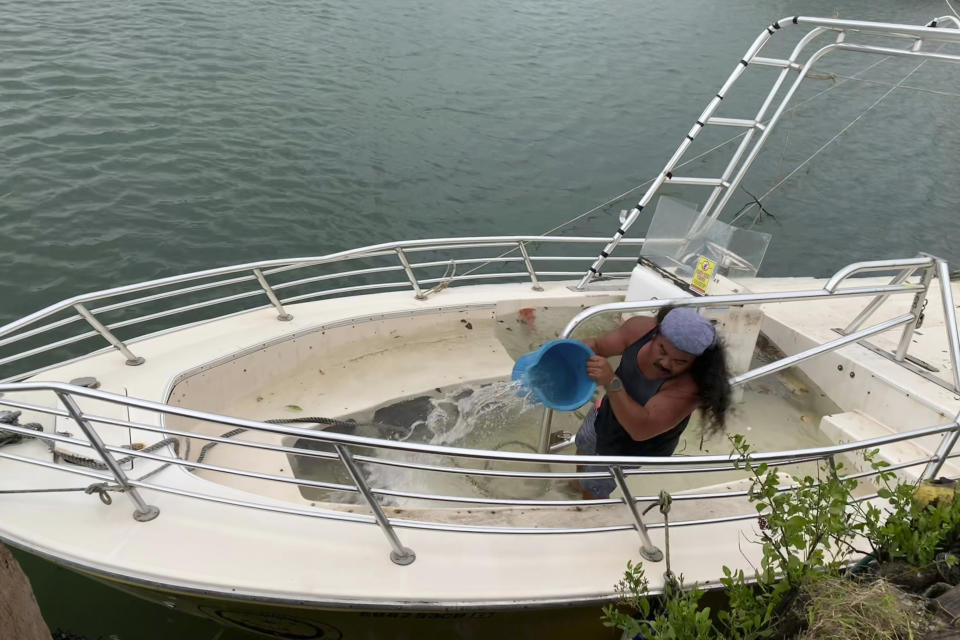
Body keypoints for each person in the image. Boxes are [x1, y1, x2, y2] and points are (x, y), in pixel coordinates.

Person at [574, 306, 731, 498]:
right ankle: (576, 487)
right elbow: (598, 346)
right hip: (609, 412)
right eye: (662, 350)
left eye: (679, 361)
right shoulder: (639, 329)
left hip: (638, 444)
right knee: (584, 443)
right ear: (655, 333)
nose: (665, 362)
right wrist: (565, 351)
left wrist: (610, 381)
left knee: (594, 484)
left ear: (694, 362)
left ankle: (588, 511)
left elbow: (641, 429)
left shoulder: (689, 387)